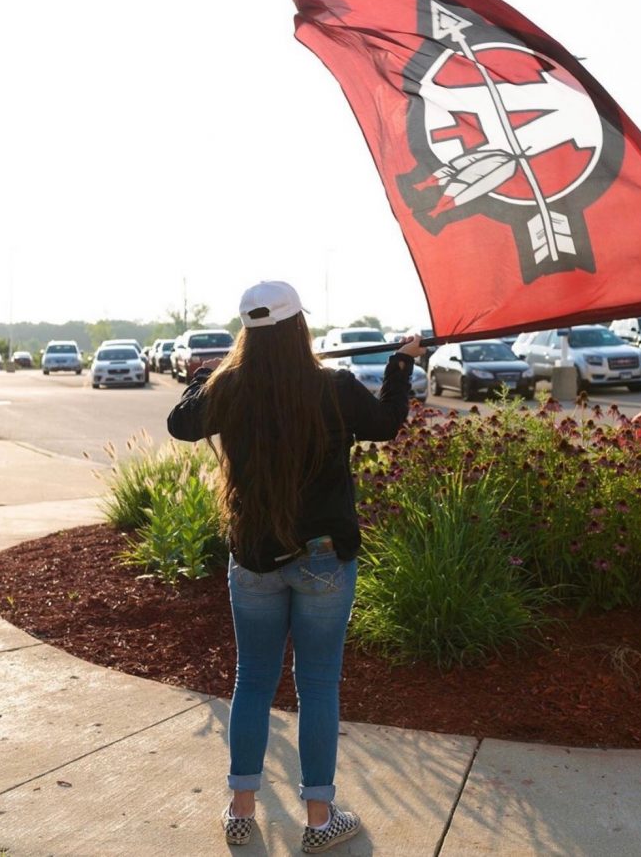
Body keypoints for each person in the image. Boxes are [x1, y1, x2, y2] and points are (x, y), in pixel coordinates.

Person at [167, 280, 425, 852]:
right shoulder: (330, 386)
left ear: (247, 334)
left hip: (254, 558)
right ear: (299, 327)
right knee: (317, 687)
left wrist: (204, 375)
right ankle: (317, 819)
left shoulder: (230, 389)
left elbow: (181, 422)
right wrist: (401, 365)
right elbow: (386, 422)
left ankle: (240, 810)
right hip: (323, 561)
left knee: (253, 680)